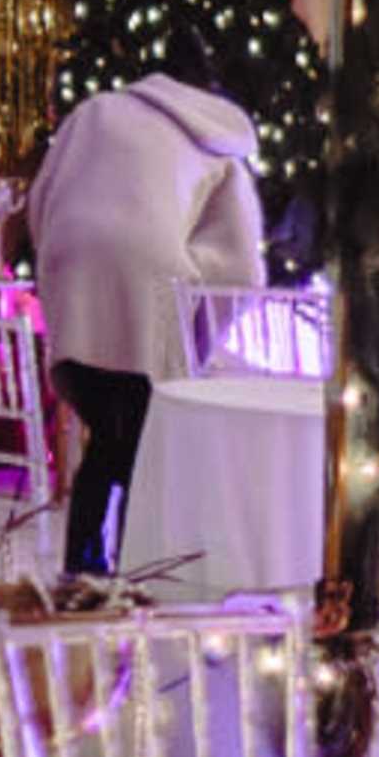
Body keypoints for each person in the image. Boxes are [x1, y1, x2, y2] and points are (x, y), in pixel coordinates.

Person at [23, 74, 264, 575]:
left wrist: (54, 262)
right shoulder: (222, 144)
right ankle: (140, 568)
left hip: (72, 268)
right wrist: (200, 340)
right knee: (143, 442)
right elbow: (241, 271)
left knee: (110, 435)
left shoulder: (95, 110)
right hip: (150, 283)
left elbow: (40, 195)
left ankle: (84, 563)